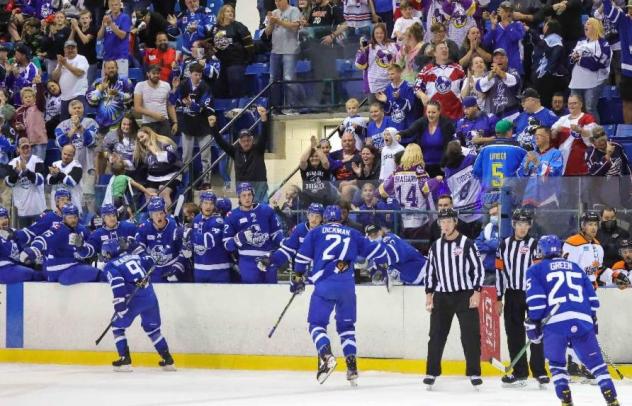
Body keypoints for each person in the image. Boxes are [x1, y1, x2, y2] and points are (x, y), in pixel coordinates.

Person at [525, 235, 621, 406]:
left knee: (557, 364)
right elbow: (592, 297)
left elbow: (537, 300)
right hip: (582, 319)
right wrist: (592, 318)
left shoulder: (535, 270)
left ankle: (566, 399)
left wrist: (533, 323)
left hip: (555, 323)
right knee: (597, 365)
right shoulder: (575, 267)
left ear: (541, 250)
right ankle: (611, 398)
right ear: (560, 250)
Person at [293, 205, 384, 385]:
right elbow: (374, 251)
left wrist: (297, 278)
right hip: (347, 286)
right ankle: (352, 367)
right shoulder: (353, 232)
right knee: (347, 327)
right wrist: (383, 263)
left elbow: (301, 258)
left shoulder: (316, 232)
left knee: (316, 325)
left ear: (325, 218)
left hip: (325, 285)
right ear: (341, 219)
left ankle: (326, 355)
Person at [424, 208, 484, 389]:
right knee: (436, 335)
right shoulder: (435, 246)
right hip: (442, 296)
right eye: (443, 222)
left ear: (455, 222)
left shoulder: (467, 243)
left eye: (449, 221)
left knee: (470, 335)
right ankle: (431, 372)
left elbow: (478, 269)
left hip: (465, 295)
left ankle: (474, 372)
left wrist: (477, 291)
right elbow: (430, 272)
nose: (446, 225)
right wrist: (429, 295)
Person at [102, 238, 175, 372]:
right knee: (152, 329)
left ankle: (125, 360)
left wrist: (120, 304)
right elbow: (150, 261)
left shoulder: (110, 265)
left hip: (134, 299)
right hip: (150, 296)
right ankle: (168, 360)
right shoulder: (134, 256)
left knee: (117, 326)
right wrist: (139, 248)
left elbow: (117, 282)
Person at [495, 208, 548, 387]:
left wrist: (543, 297)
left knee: (536, 333)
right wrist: (498, 297)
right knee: (514, 334)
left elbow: (540, 273)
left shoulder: (535, 245)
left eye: (526, 224)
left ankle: (539, 372)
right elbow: (499, 273)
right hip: (512, 294)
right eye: (519, 224)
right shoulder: (504, 245)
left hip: (532, 294)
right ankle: (520, 372)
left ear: (530, 225)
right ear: (513, 225)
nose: (523, 228)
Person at [379, 143, 447, 249]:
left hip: (403, 220)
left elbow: (383, 190)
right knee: (422, 252)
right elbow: (425, 188)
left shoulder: (396, 172)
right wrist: (436, 180)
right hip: (419, 220)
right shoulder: (418, 170)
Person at [19, 203, 100, 285]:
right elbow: (42, 239)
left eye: (75, 217)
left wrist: (81, 247)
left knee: (94, 272)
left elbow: (90, 251)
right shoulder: (58, 228)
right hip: (60, 268)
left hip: (72, 266)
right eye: (70, 217)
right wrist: (32, 250)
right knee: (99, 274)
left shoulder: (82, 229)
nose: (73, 220)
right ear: (64, 218)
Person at [223, 182, 283, 284]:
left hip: (267, 258)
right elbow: (227, 245)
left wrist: (284, 245)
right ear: (239, 197)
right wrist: (238, 238)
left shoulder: (266, 210)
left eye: (249, 194)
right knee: (250, 293)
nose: (247, 198)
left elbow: (276, 234)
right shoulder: (232, 216)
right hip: (247, 261)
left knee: (272, 292)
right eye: (244, 195)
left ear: (253, 195)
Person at [210, 106, 270, 201]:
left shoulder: (258, 149)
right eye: (243, 141)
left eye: (248, 140)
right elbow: (221, 142)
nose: (246, 143)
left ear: (252, 140)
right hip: (243, 190)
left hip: (259, 188)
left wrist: (264, 119)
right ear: (239, 141)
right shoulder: (235, 151)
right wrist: (213, 127)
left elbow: (264, 134)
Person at [170, 62, 214, 188]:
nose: (198, 77)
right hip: (187, 125)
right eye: (195, 75)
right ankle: (186, 181)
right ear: (190, 74)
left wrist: (191, 105)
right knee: (186, 156)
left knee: (205, 156)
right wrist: (174, 89)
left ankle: (206, 182)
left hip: (203, 125)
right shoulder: (183, 85)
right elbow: (172, 102)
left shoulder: (206, 87)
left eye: (200, 75)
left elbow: (202, 108)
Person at [258, 202, 324, 277]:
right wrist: (271, 259)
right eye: (312, 215)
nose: (314, 219)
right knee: (295, 286)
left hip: (321, 273)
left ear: (322, 218)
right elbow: (288, 250)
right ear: (307, 215)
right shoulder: (300, 229)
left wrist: (339, 271)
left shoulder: (326, 232)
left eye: (317, 216)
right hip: (300, 271)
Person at [397, 100, 456, 177]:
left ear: (439, 112)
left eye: (433, 112)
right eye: (428, 112)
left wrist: (444, 164)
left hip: (442, 166)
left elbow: (448, 146)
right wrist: (399, 135)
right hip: (423, 166)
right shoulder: (422, 122)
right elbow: (410, 131)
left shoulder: (447, 124)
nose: (430, 115)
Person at [134, 196, 186, 283]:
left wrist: (177, 268)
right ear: (151, 215)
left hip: (172, 265)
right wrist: (146, 261)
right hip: (154, 269)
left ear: (165, 213)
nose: (159, 217)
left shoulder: (175, 226)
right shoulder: (144, 227)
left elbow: (184, 251)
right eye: (155, 214)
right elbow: (138, 248)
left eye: (161, 213)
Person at [569, 17, 612, 122]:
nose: (585, 25)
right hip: (576, 81)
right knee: (575, 108)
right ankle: (577, 133)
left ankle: (596, 134)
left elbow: (597, 64)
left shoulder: (603, 44)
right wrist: (574, 58)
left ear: (595, 27)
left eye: (588, 24)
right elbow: (570, 59)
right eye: (585, 24)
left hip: (594, 82)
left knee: (589, 108)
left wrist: (580, 60)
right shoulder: (580, 42)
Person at [210, 4, 255, 98]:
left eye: (232, 11)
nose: (230, 13)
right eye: (227, 11)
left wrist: (248, 59)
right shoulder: (215, 28)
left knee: (234, 79)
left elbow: (248, 43)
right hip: (220, 62)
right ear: (222, 14)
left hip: (236, 61)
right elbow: (209, 43)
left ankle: (238, 104)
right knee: (217, 84)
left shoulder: (238, 26)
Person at [265, 0, 301, 113]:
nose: (277, 3)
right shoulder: (274, 13)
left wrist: (278, 21)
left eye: (279, 0)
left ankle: (292, 108)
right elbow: (267, 33)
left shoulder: (294, 10)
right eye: (275, 1)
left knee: (289, 79)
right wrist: (271, 23)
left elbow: (295, 27)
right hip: (275, 51)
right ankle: (276, 107)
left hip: (290, 50)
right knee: (273, 80)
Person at [473, 119, 527, 196]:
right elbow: (525, 172)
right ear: (509, 132)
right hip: (509, 195)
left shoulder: (485, 148)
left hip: (488, 195)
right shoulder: (519, 149)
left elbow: (476, 171)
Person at [187, 191, 232, 283]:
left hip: (219, 271)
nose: (208, 206)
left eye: (211, 204)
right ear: (201, 204)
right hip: (199, 270)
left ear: (214, 206)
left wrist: (188, 234)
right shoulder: (197, 219)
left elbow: (208, 241)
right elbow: (192, 243)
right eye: (205, 203)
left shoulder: (219, 221)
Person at [441, 141, 484, 238]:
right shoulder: (472, 159)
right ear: (461, 150)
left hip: (460, 211)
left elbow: (449, 191)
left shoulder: (448, 171)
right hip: (476, 209)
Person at [414, 42, 465, 121]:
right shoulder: (426, 70)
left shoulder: (458, 68)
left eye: (446, 48)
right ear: (435, 53)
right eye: (441, 48)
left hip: (455, 116)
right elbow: (416, 88)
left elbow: (465, 88)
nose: (444, 50)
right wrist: (422, 95)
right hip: (433, 118)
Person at [517, 126, 564, 209]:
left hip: (548, 200)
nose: (536, 138)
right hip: (529, 199)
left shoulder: (556, 154)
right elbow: (519, 177)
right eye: (535, 136)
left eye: (539, 135)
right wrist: (526, 165)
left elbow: (554, 174)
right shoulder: (531, 154)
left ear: (547, 137)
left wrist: (537, 163)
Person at [133, 126, 181, 208]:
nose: (141, 140)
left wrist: (155, 152)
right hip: (153, 177)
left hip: (171, 175)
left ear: (149, 134)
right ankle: (153, 218)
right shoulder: (143, 149)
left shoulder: (164, 142)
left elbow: (171, 158)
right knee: (148, 193)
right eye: (139, 139)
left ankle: (168, 216)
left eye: (142, 137)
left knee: (163, 191)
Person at [4, 137, 46, 228]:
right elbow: (8, 183)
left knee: (38, 236)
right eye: (23, 148)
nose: (26, 150)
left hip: (38, 208)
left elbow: (39, 180)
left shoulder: (38, 160)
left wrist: (26, 171)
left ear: (30, 147)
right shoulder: (12, 163)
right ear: (18, 149)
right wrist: (16, 173)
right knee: (25, 237)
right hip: (22, 209)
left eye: (27, 147)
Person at [550, 94, 596, 176]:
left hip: (578, 161)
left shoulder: (587, 118)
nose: (571, 106)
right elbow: (552, 135)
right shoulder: (563, 119)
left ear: (581, 104)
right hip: (561, 159)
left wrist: (580, 130)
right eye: (569, 103)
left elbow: (592, 138)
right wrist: (556, 130)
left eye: (574, 103)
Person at [603, 0, 632, 123]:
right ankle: (628, 134)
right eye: (630, 8)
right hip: (628, 72)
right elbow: (609, 10)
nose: (630, 11)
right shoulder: (624, 21)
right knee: (627, 104)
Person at [55, 100, 99, 178]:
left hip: (87, 167)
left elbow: (90, 142)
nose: (77, 110)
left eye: (79, 108)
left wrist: (80, 127)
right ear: (69, 111)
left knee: (87, 190)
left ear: (83, 109)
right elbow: (61, 143)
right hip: (68, 168)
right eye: (74, 108)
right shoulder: (62, 125)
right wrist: (73, 129)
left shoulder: (91, 122)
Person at [86, 203, 137, 268]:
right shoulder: (97, 234)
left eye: (114, 215)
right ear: (103, 218)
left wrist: (130, 244)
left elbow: (139, 244)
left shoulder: (129, 227)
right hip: (109, 267)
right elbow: (88, 252)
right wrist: (80, 247)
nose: (112, 218)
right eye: (109, 216)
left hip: (129, 263)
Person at [475, 48, 521, 119]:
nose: (499, 60)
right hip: (494, 115)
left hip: (512, 113)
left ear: (507, 59)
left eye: (502, 57)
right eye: (496, 58)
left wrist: (499, 72)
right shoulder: (488, 74)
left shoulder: (513, 71)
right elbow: (478, 86)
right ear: (493, 61)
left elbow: (514, 81)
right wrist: (489, 77)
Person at [355, 22, 399, 95]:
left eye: (381, 33)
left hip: (391, 84)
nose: (379, 35)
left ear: (385, 33)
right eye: (377, 33)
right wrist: (363, 51)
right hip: (374, 85)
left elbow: (402, 60)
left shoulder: (393, 45)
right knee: (375, 106)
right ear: (373, 34)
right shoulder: (368, 47)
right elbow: (359, 64)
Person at [134, 64, 177, 138]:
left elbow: (170, 105)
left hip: (164, 123)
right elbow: (137, 108)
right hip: (148, 123)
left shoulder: (166, 85)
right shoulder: (140, 86)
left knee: (167, 148)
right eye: (154, 73)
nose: (156, 75)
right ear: (148, 74)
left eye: (158, 73)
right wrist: (154, 115)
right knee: (149, 149)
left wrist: (175, 122)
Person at [483, 1, 526, 74]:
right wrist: (493, 27)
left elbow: (515, 37)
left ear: (512, 12)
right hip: (499, 66)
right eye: (504, 11)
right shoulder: (495, 27)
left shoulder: (518, 25)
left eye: (508, 11)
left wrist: (506, 23)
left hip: (515, 66)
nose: (507, 13)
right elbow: (486, 42)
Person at [51, 40, 89, 121]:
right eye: (68, 48)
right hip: (64, 97)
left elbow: (79, 73)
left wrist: (65, 64)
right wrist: (60, 65)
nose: (70, 50)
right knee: (64, 124)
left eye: (73, 48)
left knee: (79, 121)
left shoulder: (81, 58)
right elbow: (54, 77)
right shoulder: (63, 61)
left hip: (78, 94)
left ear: (77, 49)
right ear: (64, 50)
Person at [375, 64, 417, 135]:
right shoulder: (387, 89)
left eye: (392, 74)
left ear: (399, 73)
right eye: (389, 74)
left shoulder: (408, 86)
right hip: (394, 126)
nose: (390, 76)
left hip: (407, 125)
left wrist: (399, 98)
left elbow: (410, 107)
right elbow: (388, 111)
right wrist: (385, 101)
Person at [0, 207, 38, 284]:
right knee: (33, 274)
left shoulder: (13, 232)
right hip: (4, 269)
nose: (4, 220)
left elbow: (21, 250)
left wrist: (29, 259)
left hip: (15, 266)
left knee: (38, 269)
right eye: (0, 218)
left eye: (5, 217)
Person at [97, 0, 132, 78]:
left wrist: (111, 24)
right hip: (107, 57)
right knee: (105, 84)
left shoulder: (125, 17)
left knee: (121, 83)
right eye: (112, 5)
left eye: (116, 5)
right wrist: (103, 25)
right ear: (109, 6)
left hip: (120, 56)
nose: (114, 7)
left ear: (120, 6)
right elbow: (99, 37)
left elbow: (122, 35)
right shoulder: (107, 18)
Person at [299, 136, 335, 206]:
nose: (314, 158)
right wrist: (311, 146)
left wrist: (316, 148)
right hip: (309, 200)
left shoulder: (323, 166)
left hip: (324, 200)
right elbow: (302, 161)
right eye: (311, 157)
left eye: (316, 156)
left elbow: (325, 163)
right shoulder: (306, 167)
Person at [46, 144, 83, 213]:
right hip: (56, 206)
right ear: (61, 152)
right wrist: (61, 176)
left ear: (73, 155)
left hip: (73, 206)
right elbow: (49, 181)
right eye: (64, 154)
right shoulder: (55, 164)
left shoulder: (77, 166)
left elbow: (71, 182)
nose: (66, 157)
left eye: (69, 155)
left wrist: (58, 174)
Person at [69, 10, 98, 85]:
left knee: (88, 85)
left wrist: (77, 28)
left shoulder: (93, 29)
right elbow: (69, 43)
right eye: (82, 18)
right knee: (78, 85)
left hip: (90, 62)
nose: (84, 20)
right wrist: (73, 30)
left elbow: (85, 40)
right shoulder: (77, 29)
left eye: (86, 18)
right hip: (79, 62)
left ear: (90, 19)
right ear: (79, 20)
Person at [475, 203, 500, 284]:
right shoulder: (488, 228)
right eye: (491, 215)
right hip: (487, 272)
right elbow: (477, 244)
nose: (493, 217)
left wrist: (486, 242)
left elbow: (502, 245)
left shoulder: (507, 228)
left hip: (502, 272)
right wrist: (492, 247)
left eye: (495, 214)